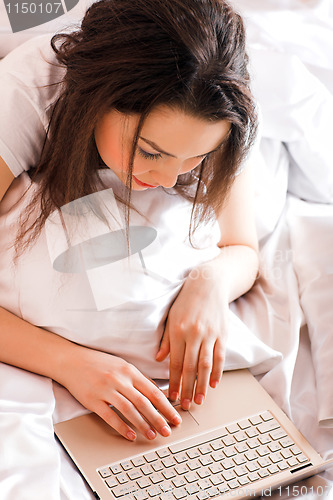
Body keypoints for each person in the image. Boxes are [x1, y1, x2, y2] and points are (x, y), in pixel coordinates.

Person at [0, 0, 259, 443]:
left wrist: (210, 284)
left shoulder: (215, 104)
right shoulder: (27, 94)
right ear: (96, 100)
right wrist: (71, 363)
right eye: (151, 152)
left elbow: (242, 248)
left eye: (195, 159)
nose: (167, 178)